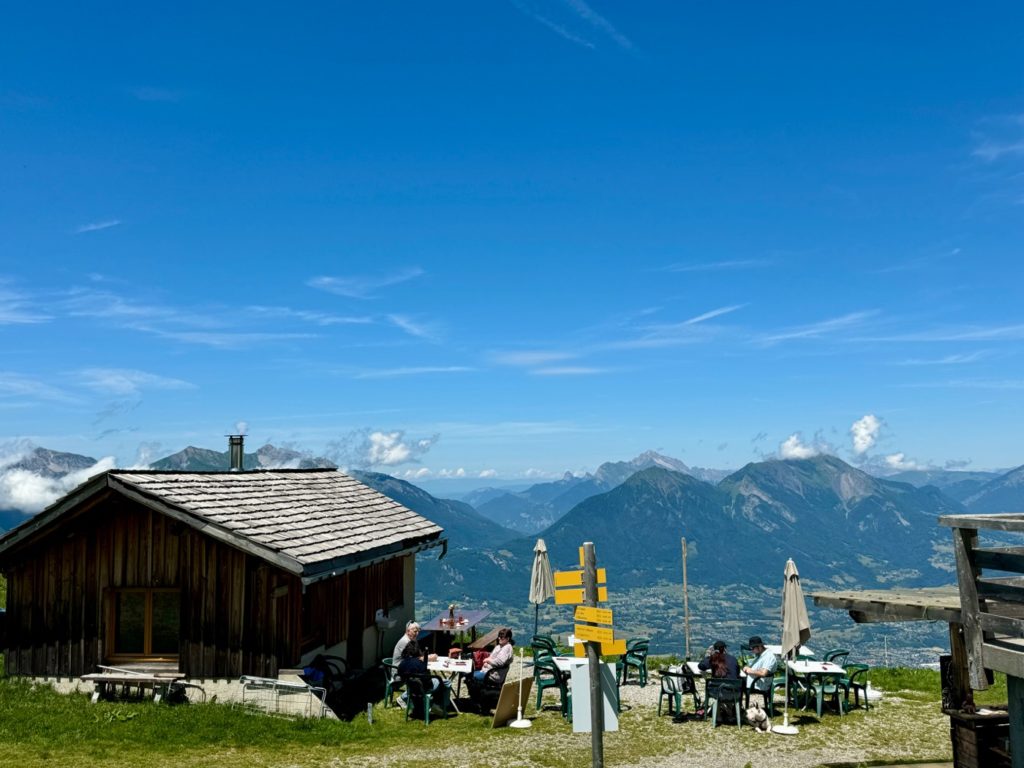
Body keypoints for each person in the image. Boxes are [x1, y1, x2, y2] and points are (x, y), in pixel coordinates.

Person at [396, 640, 448, 714]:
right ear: (418, 651)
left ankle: (433, 704)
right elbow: (427, 679)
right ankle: (439, 705)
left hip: (411, 687)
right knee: (446, 682)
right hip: (424, 688)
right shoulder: (420, 664)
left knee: (438, 681)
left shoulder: (402, 664)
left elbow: (401, 675)